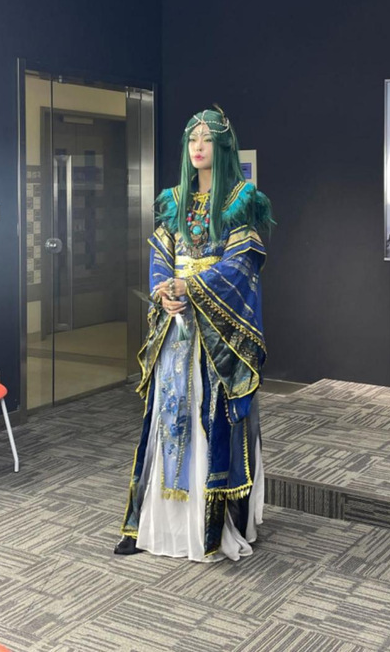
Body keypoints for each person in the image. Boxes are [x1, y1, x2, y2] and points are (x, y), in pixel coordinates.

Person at [115, 107, 274, 562]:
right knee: (165, 418)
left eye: (206, 139)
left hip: (216, 336)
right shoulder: (173, 200)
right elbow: (160, 257)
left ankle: (212, 527)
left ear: (222, 147)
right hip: (177, 333)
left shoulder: (240, 200)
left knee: (213, 418)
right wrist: (164, 290)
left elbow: (241, 266)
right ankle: (152, 525)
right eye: (191, 139)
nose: (198, 147)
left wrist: (193, 287)